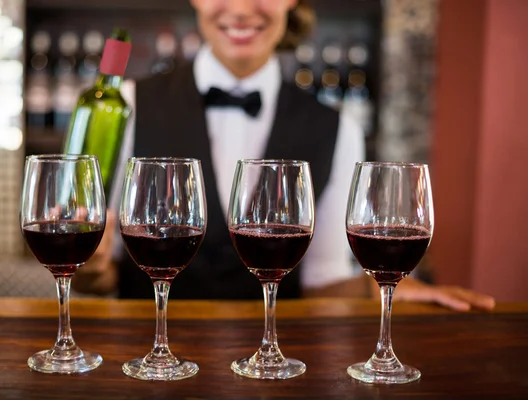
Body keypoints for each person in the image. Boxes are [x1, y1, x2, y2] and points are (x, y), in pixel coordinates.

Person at [73, 0, 495, 311]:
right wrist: (88, 270)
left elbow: (322, 283)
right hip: (149, 364)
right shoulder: (126, 107)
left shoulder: (338, 129)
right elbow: (101, 278)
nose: (239, 9)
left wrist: (391, 291)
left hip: (279, 370)